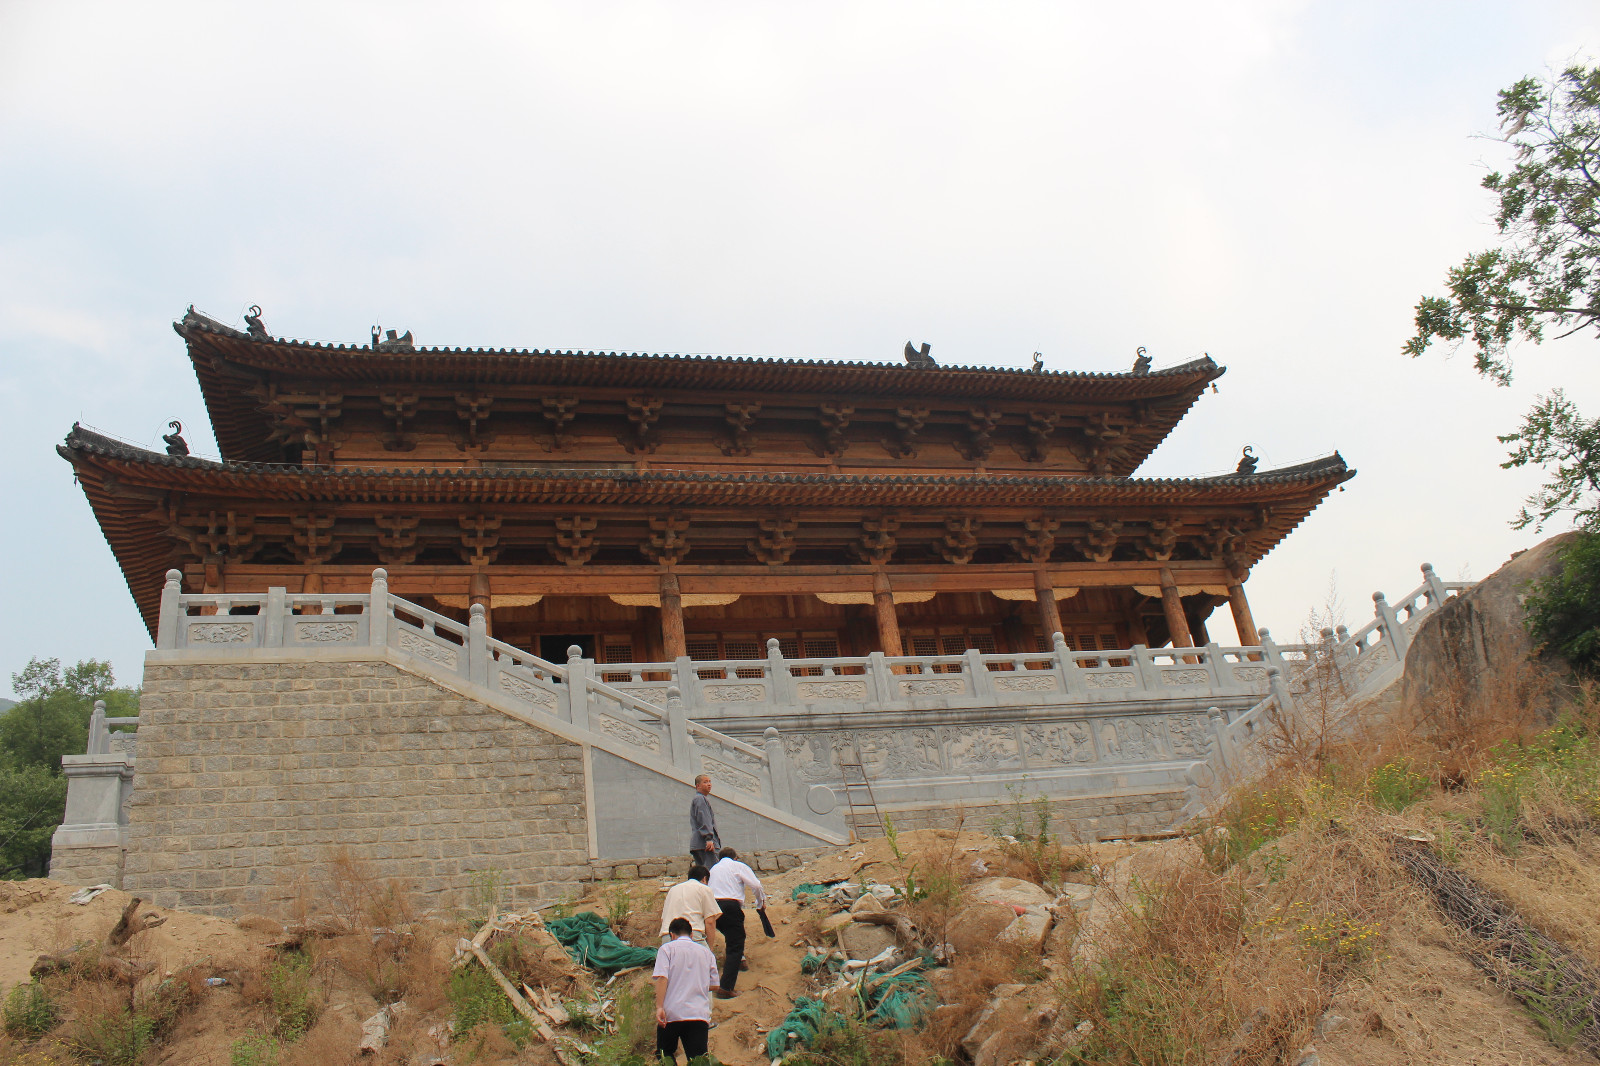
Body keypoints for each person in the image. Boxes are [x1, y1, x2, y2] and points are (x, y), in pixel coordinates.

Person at [653, 916, 719, 1063]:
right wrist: (697, 982)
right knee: (698, 1060)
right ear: (691, 935)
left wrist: (659, 1007)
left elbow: (662, 978)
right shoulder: (706, 953)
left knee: (665, 1055)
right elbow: (715, 985)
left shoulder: (667, 949)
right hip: (698, 1014)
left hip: (672, 1013)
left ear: (671, 935)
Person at [707, 846, 766, 998]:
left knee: (730, 933)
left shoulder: (713, 869)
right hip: (730, 905)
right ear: (735, 858)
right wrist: (761, 903)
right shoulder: (737, 866)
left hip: (712, 907)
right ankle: (726, 988)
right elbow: (756, 885)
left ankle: (740, 961)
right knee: (736, 943)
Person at [659, 864, 720, 952]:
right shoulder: (704, 889)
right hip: (691, 935)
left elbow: (663, 919)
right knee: (706, 964)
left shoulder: (673, 890)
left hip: (668, 937)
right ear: (704, 878)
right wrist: (709, 950)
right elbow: (710, 921)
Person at [688, 774, 719, 868]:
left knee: (703, 874)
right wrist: (708, 838)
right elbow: (704, 819)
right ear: (698, 786)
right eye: (705, 782)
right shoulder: (700, 799)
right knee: (712, 872)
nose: (709, 784)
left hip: (699, 844)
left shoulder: (700, 799)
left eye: (709, 782)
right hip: (705, 844)